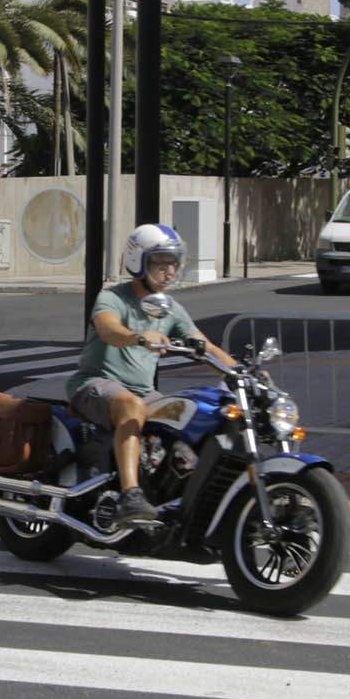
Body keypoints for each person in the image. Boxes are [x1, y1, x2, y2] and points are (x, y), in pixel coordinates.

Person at [69, 224, 237, 530]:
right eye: (161, 262)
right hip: (95, 384)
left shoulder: (170, 308)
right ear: (139, 262)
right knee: (132, 405)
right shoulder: (113, 298)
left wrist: (243, 375)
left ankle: (174, 492)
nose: (169, 271)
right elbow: (108, 329)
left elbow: (205, 346)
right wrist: (138, 336)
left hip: (143, 393)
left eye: (173, 263)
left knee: (192, 414)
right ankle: (130, 496)